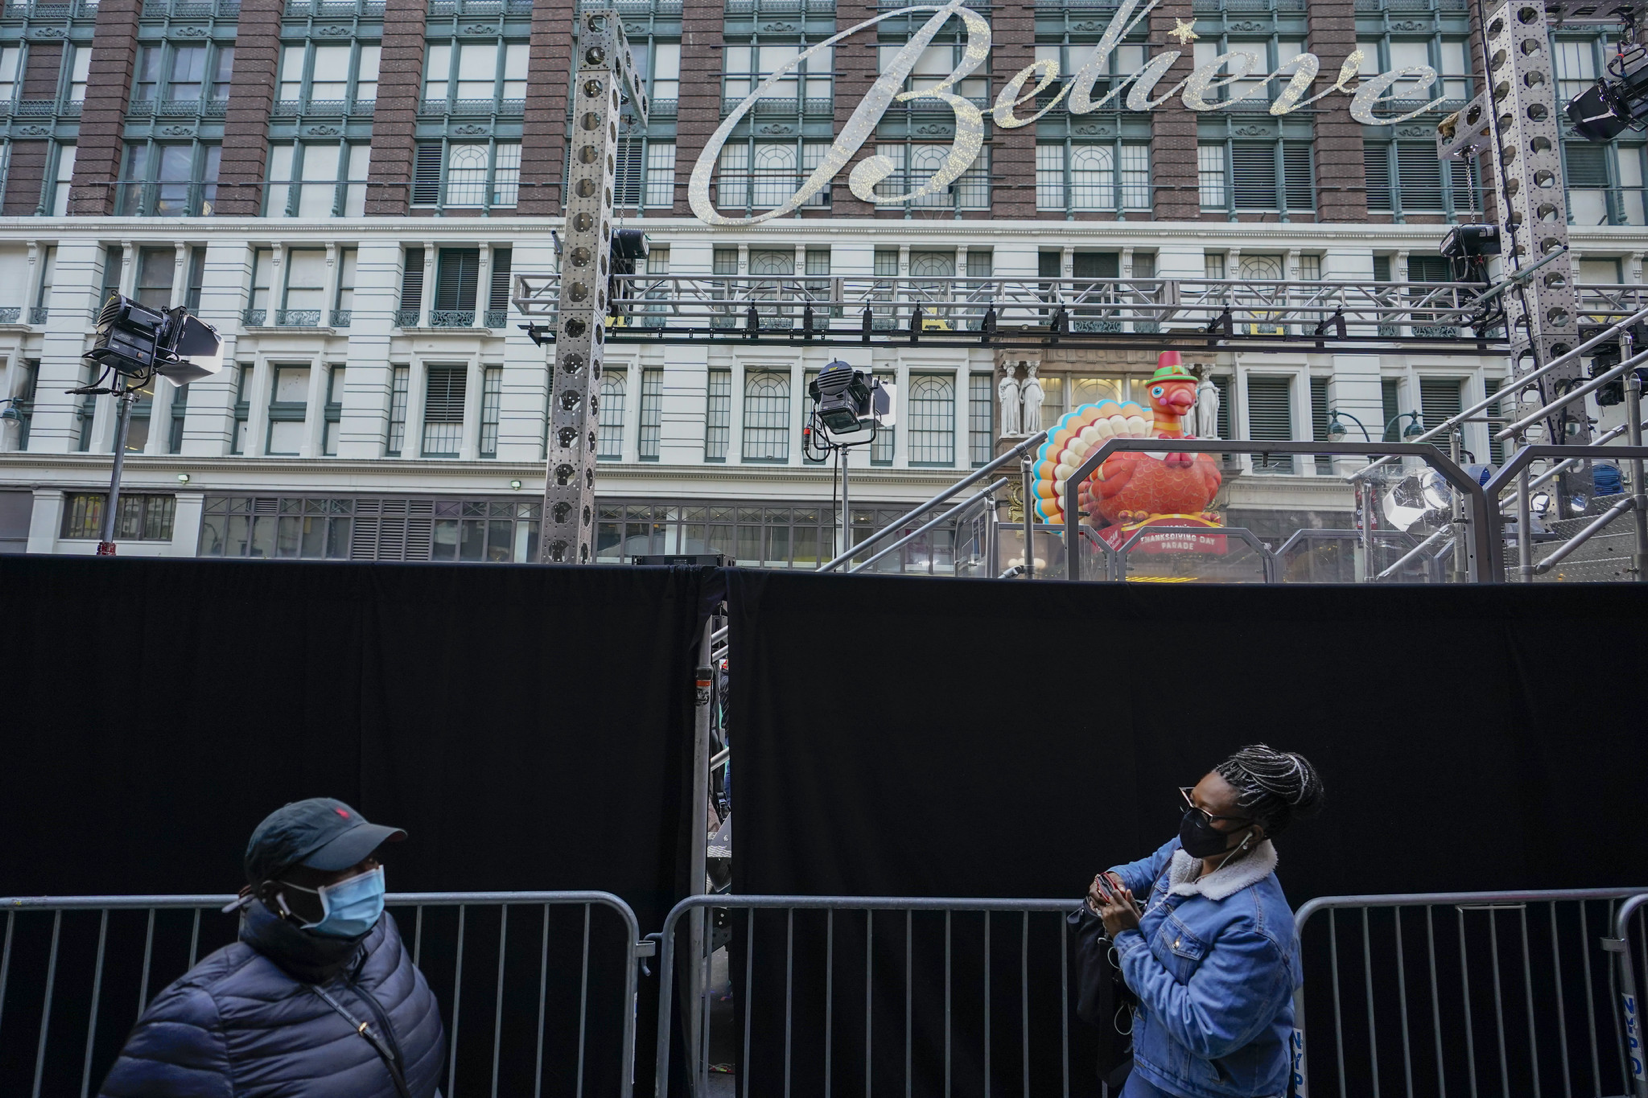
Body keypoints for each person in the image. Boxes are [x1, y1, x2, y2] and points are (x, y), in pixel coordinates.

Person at [99, 798, 447, 1098]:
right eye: (342, 868)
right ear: (275, 896)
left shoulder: (380, 937)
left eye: (370, 859)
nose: (368, 876)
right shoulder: (204, 1017)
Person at [1083, 745, 1325, 1098]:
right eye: (1190, 802)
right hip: (1153, 1071)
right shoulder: (1196, 852)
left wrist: (1127, 938)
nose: (1190, 821)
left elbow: (1203, 1029)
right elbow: (1150, 866)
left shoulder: (1257, 928)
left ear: (1252, 835)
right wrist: (1115, 879)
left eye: (1206, 814)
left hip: (1210, 1090)